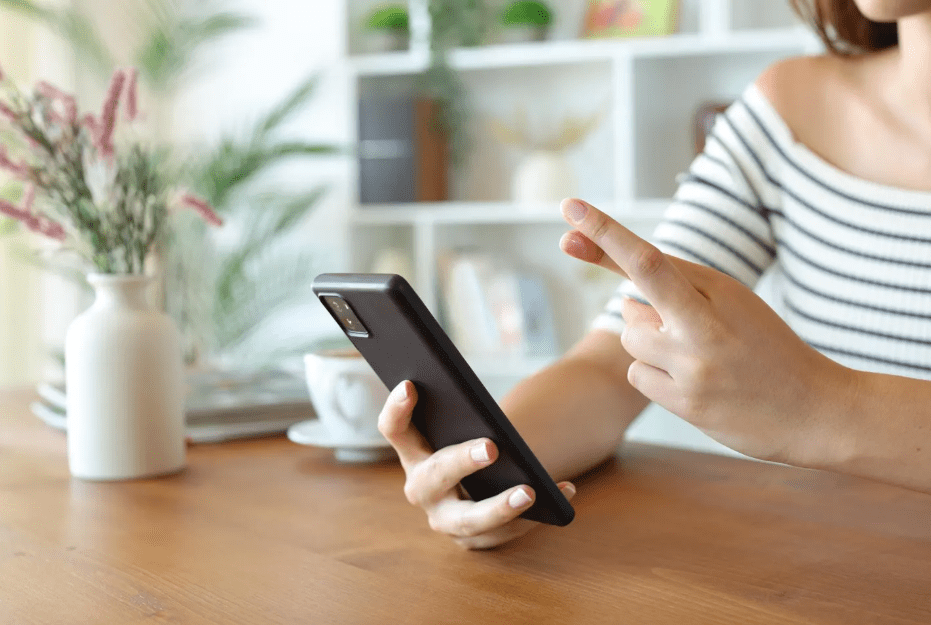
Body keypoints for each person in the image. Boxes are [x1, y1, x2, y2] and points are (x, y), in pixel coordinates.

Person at [377, 0, 931, 550]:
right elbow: (608, 367)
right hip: (841, 569)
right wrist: (487, 465)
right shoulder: (790, 111)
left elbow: (809, 404)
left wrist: (819, 405)